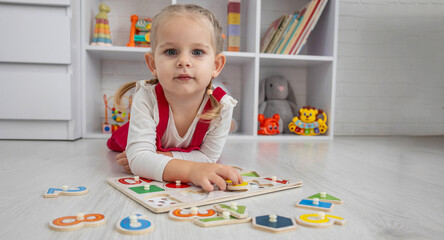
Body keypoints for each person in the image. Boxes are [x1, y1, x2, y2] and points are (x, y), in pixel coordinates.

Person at [107, 4, 242, 192]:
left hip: (161, 148)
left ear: (216, 65)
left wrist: (158, 156)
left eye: (197, 52)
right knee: (119, 144)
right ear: (152, 64)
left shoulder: (222, 106)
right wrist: (190, 171)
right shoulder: (146, 98)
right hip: (138, 134)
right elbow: (138, 159)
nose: (184, 61)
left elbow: (208, 158)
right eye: (171, 52)